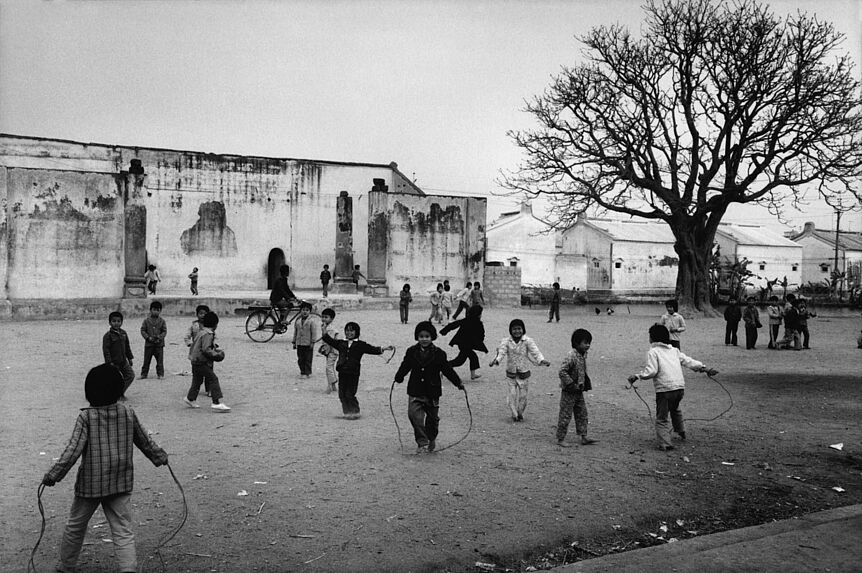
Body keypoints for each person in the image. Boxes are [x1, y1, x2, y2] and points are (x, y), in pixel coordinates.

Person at [41, 364, 169, 573]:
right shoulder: (127, 412)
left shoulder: (86, 417)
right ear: (119, 390)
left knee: (75, 526)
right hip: (120, 481)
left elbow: (72, 452)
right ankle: (128, 570)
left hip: (90, 485)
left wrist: (53, 475)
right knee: (123, 530)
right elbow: (145, 440)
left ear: (89, 391)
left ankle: (66, 566)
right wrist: (160, 456)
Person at [627, 324, 718, 451]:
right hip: (680, 388)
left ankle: (665, 443)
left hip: (664, 389)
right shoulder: (674, 350)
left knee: (662, 417)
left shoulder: (653, 352)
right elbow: (688, 361)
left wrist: (638, 376)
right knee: (675, 409)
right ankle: (681, 431)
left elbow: (651, 371)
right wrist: (704, 368)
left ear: (653, 338)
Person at [393, 321, 465, 454]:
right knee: (414, 416)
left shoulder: (439, 354)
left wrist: (458, 382)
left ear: (432, 337)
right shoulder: (411, 351)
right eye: (421, 336)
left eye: (427, 336)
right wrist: (399, 376)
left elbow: (447, 370)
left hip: (432, 392)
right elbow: (405, 366)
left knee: (432, 420)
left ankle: (431, 438)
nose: (424, 339)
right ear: (417, 337)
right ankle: (422, 442)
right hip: (415, 390)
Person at [321, 322, 394, 419]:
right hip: (342, 371)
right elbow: (328, 340)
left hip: (353, 372)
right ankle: (347, 412)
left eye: (351, 331)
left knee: (350, 393)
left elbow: (372, 349)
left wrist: (384, 348)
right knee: (342, 394)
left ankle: (355, 412)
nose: (349, 333)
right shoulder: (340, 343)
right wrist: (323, 330)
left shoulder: (361, 345)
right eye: (347, 330)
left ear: (357, 332)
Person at [489, 318, 551, 422]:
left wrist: (541, 360)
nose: (517, 331)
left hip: (524, 373)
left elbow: (535, 351)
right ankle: (514, 414)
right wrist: (496, 360)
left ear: (523, 329)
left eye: (519, 329)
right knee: (512, 394)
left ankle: (520, 412)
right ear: (510, 330)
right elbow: (502, 352)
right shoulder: (506, 342)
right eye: (514, 329)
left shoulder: (528, 341)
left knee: (523, 396)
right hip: (511, 374)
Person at [557, 328, 597, 446]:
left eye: (589, 342)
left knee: (582, 413)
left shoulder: (582, 355)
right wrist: (570, 384)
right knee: (565, 415)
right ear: (576, 343)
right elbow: (562, 371)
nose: (588, 345)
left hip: (578, 391)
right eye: (585, 342)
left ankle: (583, 436)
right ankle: (560, 439)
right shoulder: (571, 356)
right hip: (569, 391)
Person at [183, 311, 230, 412]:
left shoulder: (201, 332)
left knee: (197, 380)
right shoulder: (208, 334)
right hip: (201, 361)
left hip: (195, 360)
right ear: (215, 324)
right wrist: (217, 355)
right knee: (213, 379)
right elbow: (206, 349)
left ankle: (190, 398)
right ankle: (216, 402)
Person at [440, 305, 488, 380]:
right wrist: (481, 343)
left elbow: (453, 325)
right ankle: (444, 368)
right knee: (460, 361)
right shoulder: (478, 323)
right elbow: (481, 334)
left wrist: (444, 331)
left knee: (473, 357)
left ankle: (473, 375)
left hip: (462, 343)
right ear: (478, 314)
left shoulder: (466, 320)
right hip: (466, 345)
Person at [102, 311, 134, 400]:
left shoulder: (124, 333)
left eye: (118, 321)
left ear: (122, 322)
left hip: (123, 361)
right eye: (114, 321)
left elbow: (127, 346)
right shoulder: (107, 336)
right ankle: (112, 394)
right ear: (110, 322)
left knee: (130, 375)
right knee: (114, 379)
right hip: (114, 363)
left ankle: (120, 393)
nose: (116, 323)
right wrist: (109, 363)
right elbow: (106, 350)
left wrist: (130, 358)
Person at [184, 304, 211, 395]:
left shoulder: (210, 326)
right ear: (197, 314)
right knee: (196, 374)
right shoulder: (194, 326)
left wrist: (214, 345)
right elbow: (187, 336)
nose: (203, 315)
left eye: (205, 313)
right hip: (196, 354)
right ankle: (195, 390)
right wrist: (190, 344)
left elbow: (214, 337)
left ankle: (209, 389)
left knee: (209, 372)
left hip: (207, 353)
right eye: (200, 313)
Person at [292, 301, 321, 379]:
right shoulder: (298, 321)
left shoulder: (312, 321)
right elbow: (296, 332)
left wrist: (313, 342)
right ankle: (302, 371)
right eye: (303, 310)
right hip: (300, 343)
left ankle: (307, 372)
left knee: (308, 358)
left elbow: (314, 332)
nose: (305, 312)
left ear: (310, 312)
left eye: (307, 310)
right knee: (300, 359)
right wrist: (294, 342)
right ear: (300, 311)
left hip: (308, 343)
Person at [140, 300, 167, 379]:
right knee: (146, 360)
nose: (156, 312)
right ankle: (144, 374)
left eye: (158, 310)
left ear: (160, 311)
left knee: (160, 361)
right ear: (150, 310)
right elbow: (142, 330)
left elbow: (164, 331)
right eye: (154, 310)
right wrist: (148, 337)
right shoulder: (146, 321)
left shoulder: (162, 321)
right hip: (149, 344)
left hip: (159, 344)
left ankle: (160, 374)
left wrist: (160, 337)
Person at [318, 308, 339, 394]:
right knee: (329, 367)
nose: (323, 319)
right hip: (329, 350)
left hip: (332, 350)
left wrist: (326, 351)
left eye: (326, 317)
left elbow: (329, 341)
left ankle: (331, 383)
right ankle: (333, 386)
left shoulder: (330, 329)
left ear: (331, 319)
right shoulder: (325, 327)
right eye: (323, 317)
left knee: (329, 367)